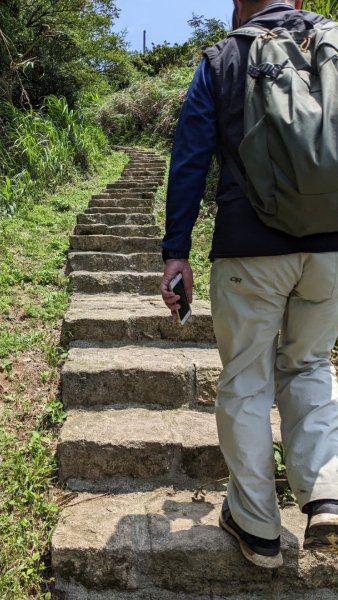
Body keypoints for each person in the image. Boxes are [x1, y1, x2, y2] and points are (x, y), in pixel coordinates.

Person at [160, 0, 338, 569]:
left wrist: (176, 252)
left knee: (245, 382)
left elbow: (189, 158)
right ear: (302, 1)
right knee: (310, 365)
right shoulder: (334, 45)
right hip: (330, 248)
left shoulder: (223, 58)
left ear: (237, 4)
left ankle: (258, 527)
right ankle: (326, 492)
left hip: (247, 247)